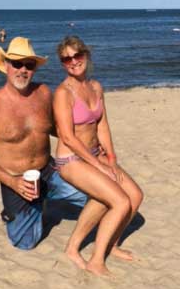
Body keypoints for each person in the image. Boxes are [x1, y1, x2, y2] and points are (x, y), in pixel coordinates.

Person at [0, 37, 88, 251]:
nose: (22, 70)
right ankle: (16, 210)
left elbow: (54, 129)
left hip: (49, 170)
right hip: (17, 180)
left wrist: (86, 143)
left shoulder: (43, 93)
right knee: (25, 243)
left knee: (94, 195)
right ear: (6, 66)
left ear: (35, 69)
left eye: (29, 64)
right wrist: (12, 182)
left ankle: (45, 196)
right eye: (17, 63)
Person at [53, 36, 143, 276]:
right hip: (71, 160)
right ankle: (95, 260)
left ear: (86, 55)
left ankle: (112, 244)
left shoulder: (96, 87)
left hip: (94, 154)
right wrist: (99, 166)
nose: (73, 62)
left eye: (77, 56)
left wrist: (111, 158)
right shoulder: (63, 93)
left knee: (134, 195)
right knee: (119, 201)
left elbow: (101, 124)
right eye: (66, 59)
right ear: (62, 63)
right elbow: (68, 137)